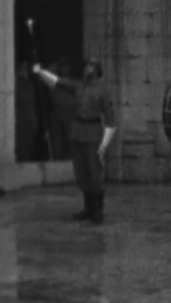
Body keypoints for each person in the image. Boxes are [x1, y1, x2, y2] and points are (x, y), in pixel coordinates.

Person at [33, 57, 116, 224]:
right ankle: (87, 208)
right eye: (87, 66)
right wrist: (41, 72)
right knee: (81, 172)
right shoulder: (78, 86)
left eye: (91, 66)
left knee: (94, 173)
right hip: (78, 132)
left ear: (97, 69)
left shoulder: (103, 90)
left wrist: (104, 145)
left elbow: (111, 121)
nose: (87, 69)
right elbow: (57, 82)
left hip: (93, 134)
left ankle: (97, 210)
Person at [49, 62, 76, 160]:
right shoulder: (56, 82)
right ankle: (58, 158)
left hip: (69, 113)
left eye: (66, 67)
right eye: (63, 67)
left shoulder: (72, 83)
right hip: (57, 112)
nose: (64, 69)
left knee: (70, 137)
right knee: (58, 140)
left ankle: (71, 157)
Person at [15, 61, 39, 162]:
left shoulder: (30, 85)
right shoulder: (16, 85)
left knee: (29, 141)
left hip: (30, 119)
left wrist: (35, 121)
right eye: (23, 69)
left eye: (26, 69)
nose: (25, 72)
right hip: (21, 120)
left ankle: (26, 158)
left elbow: (33, 103)